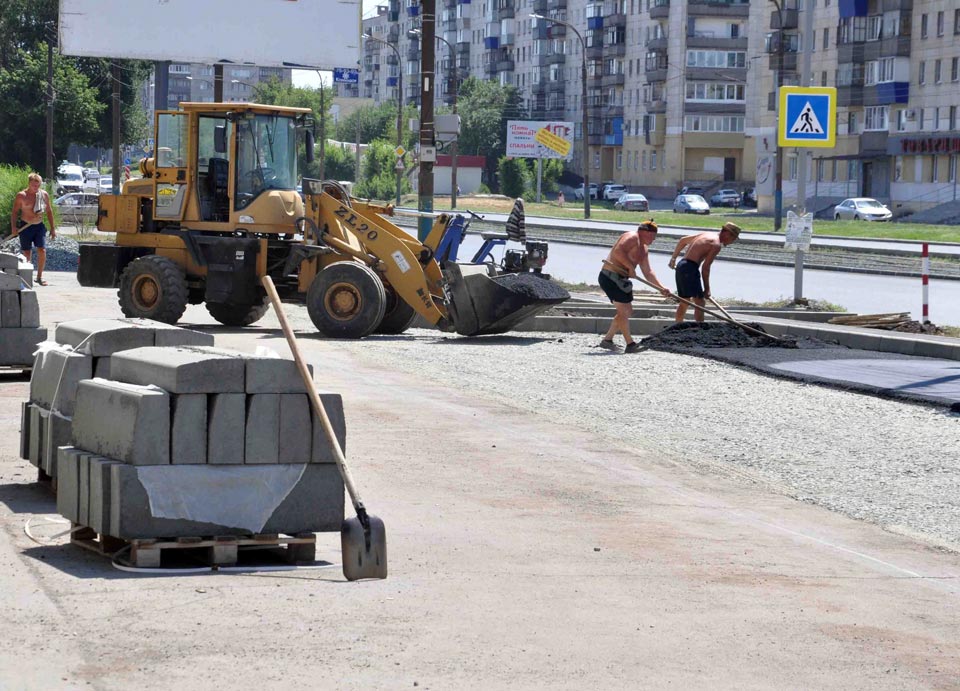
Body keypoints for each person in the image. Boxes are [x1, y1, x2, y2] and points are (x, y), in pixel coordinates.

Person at [597, 220, 670, 353]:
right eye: (652, 235)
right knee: (624, 311)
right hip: (610, 276)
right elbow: (618, 251)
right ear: (644, 232)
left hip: (622, 280)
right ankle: (630, 344)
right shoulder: (631, 236)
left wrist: (661, 288)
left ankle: (607, 340)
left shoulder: (643, 249)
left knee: (626, 311)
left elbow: (648, 272)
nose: (654, 239)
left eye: (655, 236)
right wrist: (630, 267)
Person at [668, 222, 741, 323]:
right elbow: (705, 268)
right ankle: (700, 329)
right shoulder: (716, 244)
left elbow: (682, 240)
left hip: (682, 265)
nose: (732, 242)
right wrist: (707, 289)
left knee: (685, 301)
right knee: (700, 302)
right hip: (690, 268)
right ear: (727, 234)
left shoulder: (705, 235)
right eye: (733, 238)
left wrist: (673, 259)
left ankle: (677, 325)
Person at [10, 173, 56, 286]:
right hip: (25, 226)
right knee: (27, 252)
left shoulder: (43, 195)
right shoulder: (21, 195)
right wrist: (14, 227)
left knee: (42, 250)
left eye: (38, 185)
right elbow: (15, 212)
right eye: (33, 185)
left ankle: (39, 277)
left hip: (39, 226)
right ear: (29, 184)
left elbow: (49, 212)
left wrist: (52, 228)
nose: (36, 187)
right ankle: (27, 278)